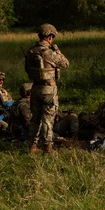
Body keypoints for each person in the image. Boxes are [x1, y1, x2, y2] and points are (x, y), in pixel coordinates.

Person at [24, 23, 70, 154]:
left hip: (35, 88)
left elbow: (27, 69)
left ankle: (32, 146)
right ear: (50, 37)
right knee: (47, 119)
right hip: (48, 89)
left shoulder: (31, 51)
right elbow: (65, 63)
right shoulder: (50, 53)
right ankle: (47, 147)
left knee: (35, 118)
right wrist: (58, 51)